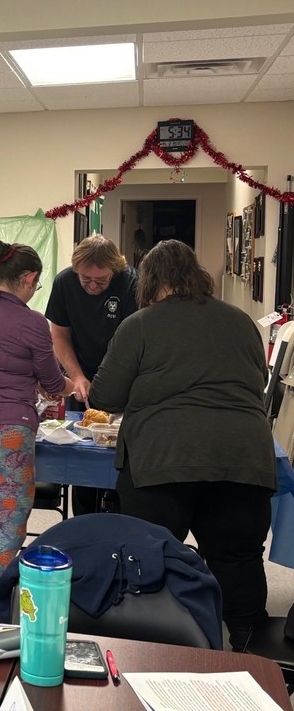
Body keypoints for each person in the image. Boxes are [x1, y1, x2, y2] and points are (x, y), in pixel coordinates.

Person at [88, 240, 276, 650]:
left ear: (149, 280)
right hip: (243, 458)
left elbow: (104, 396)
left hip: (163, 459)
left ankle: (153, 649)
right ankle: (249, 653)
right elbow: (256, 380)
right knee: (238, 560)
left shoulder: (140, 324)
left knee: (149, 557)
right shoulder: (242, 320)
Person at [0, 241, 75, 622]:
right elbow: (52, 382)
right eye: (35, 286)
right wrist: (75, 385)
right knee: (9, 530)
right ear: (28, 278)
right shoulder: (32, 322)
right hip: (4, 434)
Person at [44, 233, 137, 514]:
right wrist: (78, 378)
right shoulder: (64, 282)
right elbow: (59, 336)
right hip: (80, 372)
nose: (93, 286)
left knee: (119, 458)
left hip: (123, 375)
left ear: (115, 270)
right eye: (86, 280)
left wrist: (110, 382)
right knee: (82, 455)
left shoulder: (132, 283)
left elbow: (134, 342)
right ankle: (83, 522)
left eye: (102, 280)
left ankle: (118, 523)